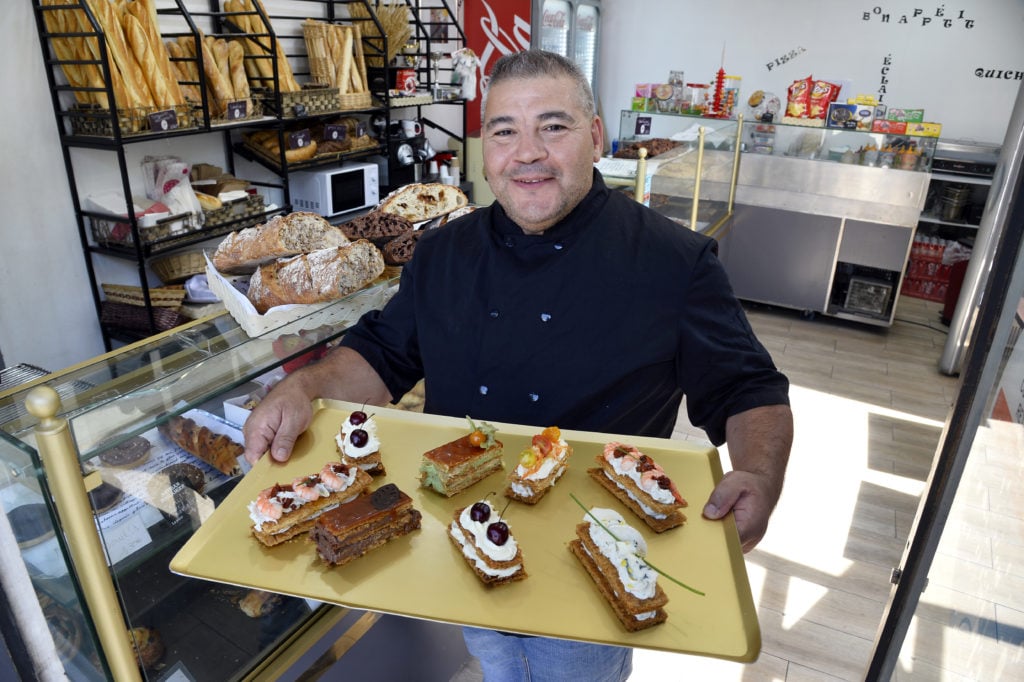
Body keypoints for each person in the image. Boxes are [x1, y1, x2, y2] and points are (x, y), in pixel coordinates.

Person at [243, 49, 793, 681]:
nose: (526, 152)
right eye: (505, 131)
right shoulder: (443, 252)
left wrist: (759, 471)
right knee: (497, 663)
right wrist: (302, 387)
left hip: (592, 557)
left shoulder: (676, 261)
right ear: (485, 150)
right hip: (468, 527)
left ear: (595, 137)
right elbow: (381, 354)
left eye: (552, 127)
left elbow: (748, 388)